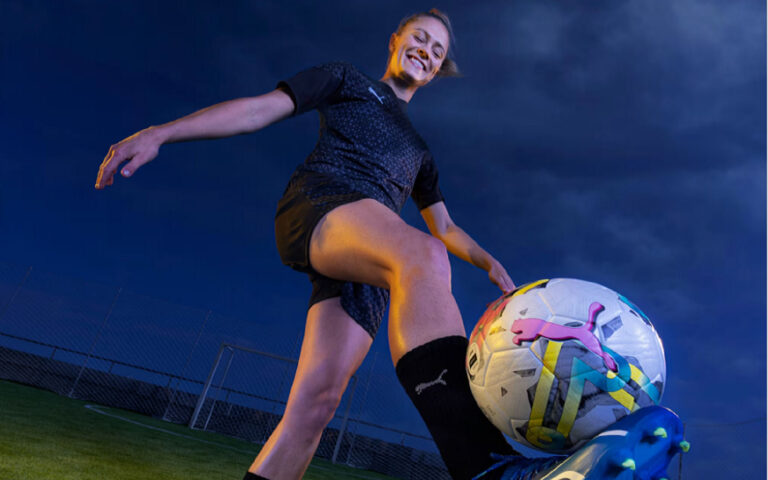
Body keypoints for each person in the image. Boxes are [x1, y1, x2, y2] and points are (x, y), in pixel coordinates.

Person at [96, 9, 687, 480]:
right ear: (395, 39)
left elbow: (446, 228)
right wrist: (162, 132)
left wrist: (488, 263)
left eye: (436, 51)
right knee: (421, 258)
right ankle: (485, 466)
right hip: (323, 204)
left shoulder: (421, 150)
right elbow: (257, 110)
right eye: (420, 38)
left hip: (367, 262)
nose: (426, 51)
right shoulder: (346, 80)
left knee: (316, 405)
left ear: (436, 70)